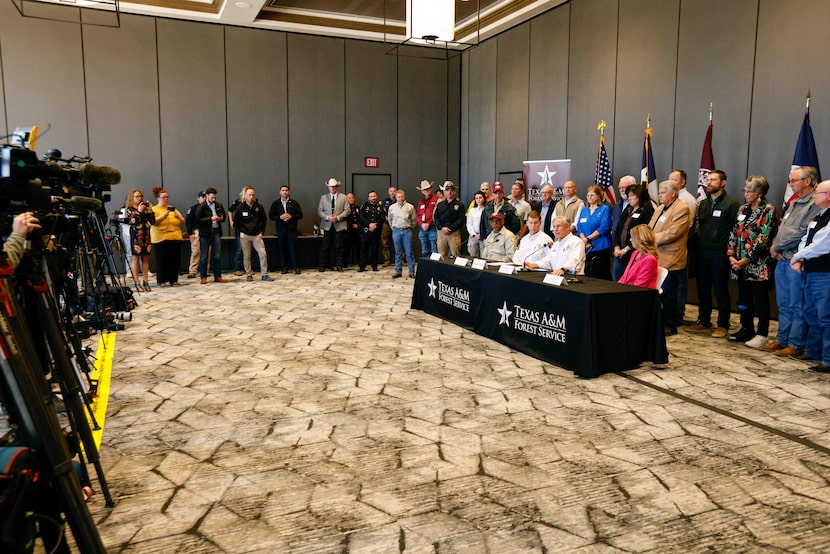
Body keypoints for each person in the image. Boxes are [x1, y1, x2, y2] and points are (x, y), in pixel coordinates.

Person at [761, 166, 821, 356]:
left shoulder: (815, 203)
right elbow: (783, 229)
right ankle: (781, 339)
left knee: (797, 304)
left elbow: (802, 231)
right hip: (781, 259)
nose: (791, 184)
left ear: (807, 181)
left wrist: (777, 247)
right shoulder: (794, 202)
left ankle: (795, 344)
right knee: (783, 303)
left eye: (794, 180)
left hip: (796, 261)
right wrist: (775, 248)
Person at [686, 170, 740, 338]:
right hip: (702, 251)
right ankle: (703, 320)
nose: (709, 183)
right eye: (708, 180)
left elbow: (736, 231)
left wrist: (731, 253)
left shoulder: (731, 204)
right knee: (702, 287)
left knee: (720, 288)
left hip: (720, 253)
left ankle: (723, 324)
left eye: (713, 180)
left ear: (723, 183)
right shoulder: (703, 203)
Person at [726, 176, 778, 347]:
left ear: (759, 193)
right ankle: (746, 328)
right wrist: (731, 254)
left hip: (757, 264)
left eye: (750, 191)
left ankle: (762, 333)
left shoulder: (768, 210)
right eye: (745, 190)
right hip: (739, 263)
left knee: (760, 299)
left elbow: (763, 238)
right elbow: (734, 232)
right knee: (743, 299)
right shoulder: (742, 209)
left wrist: (746, 260)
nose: (746, 194)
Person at [790, 179, 830, 372]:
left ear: (829, 196)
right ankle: (813, 351)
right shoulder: (819, 216)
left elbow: (822, 245)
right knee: (811, 312)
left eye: (818, 193)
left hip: (825, 274)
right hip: (811, 271)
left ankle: (828, 359)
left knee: (826, 316)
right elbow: (806, 240)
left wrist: (797, 257)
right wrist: (801, 257)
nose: (814, 196)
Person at [650, 179, 691, 336]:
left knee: (669, 293)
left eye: (662, 193)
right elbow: (650, 227)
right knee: (658, 292)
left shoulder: (682, 208)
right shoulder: (660, 207)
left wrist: (650, 239)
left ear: (673, 194)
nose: (659, 195)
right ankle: (660, 320)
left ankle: (670, 324)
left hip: (671, 257)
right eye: (659, 192)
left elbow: (673, 233)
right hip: (656, 255)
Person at [669, 169, 698, 325]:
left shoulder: (687, 200)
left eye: (674, 180)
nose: (670, 183)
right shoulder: (670, 202)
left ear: (682, 182)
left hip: (681, 246)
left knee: (680, 282)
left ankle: (679, 314)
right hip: (667, 248)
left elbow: (687, 227)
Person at [612, 183, 654, 281]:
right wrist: (617, 247)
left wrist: (626, 249)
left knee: (629, 280)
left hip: (634, 252)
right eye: (628, 196)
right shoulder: (628, 209)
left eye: (632, 196)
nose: (629, 198)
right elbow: (618, 229)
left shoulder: (647, 210)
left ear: (640, 196)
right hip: (619, 252)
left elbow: (642, 233)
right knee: (616, 280)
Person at [234, 185, 270, 281]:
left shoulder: (258, 207)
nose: (251, 197)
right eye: (249, 195)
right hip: (245, 235)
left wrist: (262, 231)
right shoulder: (240, 208)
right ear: (245, 196)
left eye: (253, 195)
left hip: (257, 235)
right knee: (247, 256)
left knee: (263, 254)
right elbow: (236, 222)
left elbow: (264, 220)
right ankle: (249, 274)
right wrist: (240, 233)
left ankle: (264, 274)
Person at [150, 186, 185, 287]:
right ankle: (161, 280)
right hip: (161, 238)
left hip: (175, 237)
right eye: (163, 197)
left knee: (174, 260)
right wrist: (163, 216)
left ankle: (173, 279)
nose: (166, 199)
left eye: (167, 197)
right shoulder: (154, 209)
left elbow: (182, 220)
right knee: (162, 260)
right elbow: (153, 222)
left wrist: (178, 216)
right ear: (158, 198)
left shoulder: (172, 208)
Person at [576, 185, 612, 280]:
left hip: (601, 247)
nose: (589, 197)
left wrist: (588, 239)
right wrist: (584, 240)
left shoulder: (604, 209)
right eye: (588, 195)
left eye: (592, 195)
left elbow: (604, 228)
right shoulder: (584, 210)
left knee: (600, 275)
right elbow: (579, 227)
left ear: (599, 196)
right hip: (586, 248)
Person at [124, 188, 155, 292]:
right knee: (135, 258)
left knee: (145, 258)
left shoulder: (145, 208)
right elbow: (132, 221)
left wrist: (151, 210)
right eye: (137, 196)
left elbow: (153, 221)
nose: (139, 198)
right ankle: (137, 281)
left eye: (140, 196)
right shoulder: (129, 209)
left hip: (146, 235)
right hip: (136, 236)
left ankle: (145, 281)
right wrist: (139, 211)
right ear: (132, 198)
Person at [317, 178, 350, 272]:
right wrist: (328, 217)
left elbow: (347, 210)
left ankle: (339, 265)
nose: (333, 188)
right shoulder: (323, 197)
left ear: (337, 187)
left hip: (339, 225)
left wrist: (338, 217)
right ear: (328, 187)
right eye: (331, 186)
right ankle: (322, 265)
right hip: (327, 225)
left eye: (334, 186)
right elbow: (319, 211)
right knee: (325, 246)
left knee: (339, 246)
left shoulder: (343, 197)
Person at [269, 185, 303, 274]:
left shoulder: (294, 203)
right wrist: (280, 217)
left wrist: (291, 216)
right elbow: (271, 216)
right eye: (283, 190)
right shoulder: (275, 203)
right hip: (280, 230)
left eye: (286, 190)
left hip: (292, 230)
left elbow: (300, 215)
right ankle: (284, 267)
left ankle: (295, 267)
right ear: (280, 192)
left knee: (293, 249)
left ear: (289, 192)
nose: (284, 192)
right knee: (282, 249)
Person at [196, 187, 227, 284]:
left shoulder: (218, 205)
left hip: (216, 231)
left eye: (215, 198)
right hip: (205, 234)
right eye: (212, 197)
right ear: (207, 196)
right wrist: (211, 219)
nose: (214, 199)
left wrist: (220, 218)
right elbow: (198, 220)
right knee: (204, 256)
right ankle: (203, 277)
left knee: (217, 256)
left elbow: (224, 217)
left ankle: (217, 276)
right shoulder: (201, 207)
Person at [388, 189, 417, 278]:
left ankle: (411, 272)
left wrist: (409, 227)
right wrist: (393, 227)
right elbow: (390, 219)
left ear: (404, 197)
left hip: (406, 231)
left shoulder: (410, 207)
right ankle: (398, 271)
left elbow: (414, 220)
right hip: (396, 231)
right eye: (398, 197)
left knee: (409, 252)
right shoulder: (392, 207)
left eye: (402, 197)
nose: (400, 198)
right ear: (396, 197)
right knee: (398, 252)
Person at [433, 181, 464, 258]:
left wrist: (450, 228)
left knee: (456, 255)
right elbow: (436, 218)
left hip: (454, 233)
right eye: (447, 190)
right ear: (444, 192)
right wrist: (441, 228)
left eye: (451, 190)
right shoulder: (440, 205)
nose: (449, 192)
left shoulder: (460, 205)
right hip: (441, 233)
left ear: (454, 191)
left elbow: (461, 220)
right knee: (441, 255)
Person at [358, 191, 385, 272]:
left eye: (374, 196)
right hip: (366, 231)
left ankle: (374, 266)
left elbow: (383, 217)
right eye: (371, 196)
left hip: (376, 231)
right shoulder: (364, 206)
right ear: (368, 198)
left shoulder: (380, 206)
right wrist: (369, 224)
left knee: (375, 249)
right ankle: (362, 267)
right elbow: (361, 217)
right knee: (363, 250)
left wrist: (376, 225)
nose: (373, 198)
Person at [184, 191, 206, 278]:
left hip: (207, 231)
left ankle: (204, 271)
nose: (204, 198)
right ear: (198, 198)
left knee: (206, 252)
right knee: (195, 251)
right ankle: (193, 271)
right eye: (202, 197)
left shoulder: (209, 208)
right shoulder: (193, 208)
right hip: (196, 231)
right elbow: (188, 221)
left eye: (205, 197)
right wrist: (190, 233)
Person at [416, 180, 439, 258]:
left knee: (434, 249)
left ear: (431, 188)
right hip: (422, 228)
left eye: (428, 188)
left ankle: (435, 269)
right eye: (425, 189)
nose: (427, 190)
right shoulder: (421, 201)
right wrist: (422, 224)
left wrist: (428, 223)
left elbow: (437, 214)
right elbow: (418, 215)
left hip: (432, 227)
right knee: (424, 250)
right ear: (422, 191)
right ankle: (426, 268)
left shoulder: (437, 198)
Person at [610, 175, 637, 241]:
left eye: (624, 187)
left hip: (632, 243)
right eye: (620, 188)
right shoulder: (617, 205)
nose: (622, 190)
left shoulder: (638, 205)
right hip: (616, 244)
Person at [227, 186, 247, 276]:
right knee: (239, 249)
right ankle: (237, 269)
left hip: (250, 229)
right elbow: (230, 210)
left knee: (248, 250)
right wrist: (231, 221)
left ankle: (248, 268)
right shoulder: (238, 202)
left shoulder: (254, 202)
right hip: (239, 228)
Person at [466, 191, 487, 258]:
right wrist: (474, 234)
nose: (478, 199)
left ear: (484, 198)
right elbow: (469, 224)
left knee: (484, 256)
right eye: (476, 198)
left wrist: (483, 234)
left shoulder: (487, 209)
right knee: (473, 255)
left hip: (484, 236)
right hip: (474, 236)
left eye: (480, 197)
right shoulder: (472, 210)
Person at [380, 186, 397, 267]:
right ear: (388, 192)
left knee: (399, 243)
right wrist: (385, 217)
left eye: (394, 191)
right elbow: (382, 212)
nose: (392, 193)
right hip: (386, 224)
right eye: (391, 191)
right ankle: (387, 260)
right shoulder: (385, 201)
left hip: (397, 224)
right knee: (385, 242)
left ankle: (401, 260)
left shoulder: (399, 200)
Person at [344, 191, 360, 267]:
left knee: (359, 247)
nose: (351, 199)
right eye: (349, 198)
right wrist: (351, 225)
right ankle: (345, 263)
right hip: (348, 231)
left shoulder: (358, 208)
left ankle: (360, 262)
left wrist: (358, 225)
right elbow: (345, 218)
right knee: (347, 248)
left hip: (358, 231)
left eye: (352, 197)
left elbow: (361, 217)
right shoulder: (345, 209)